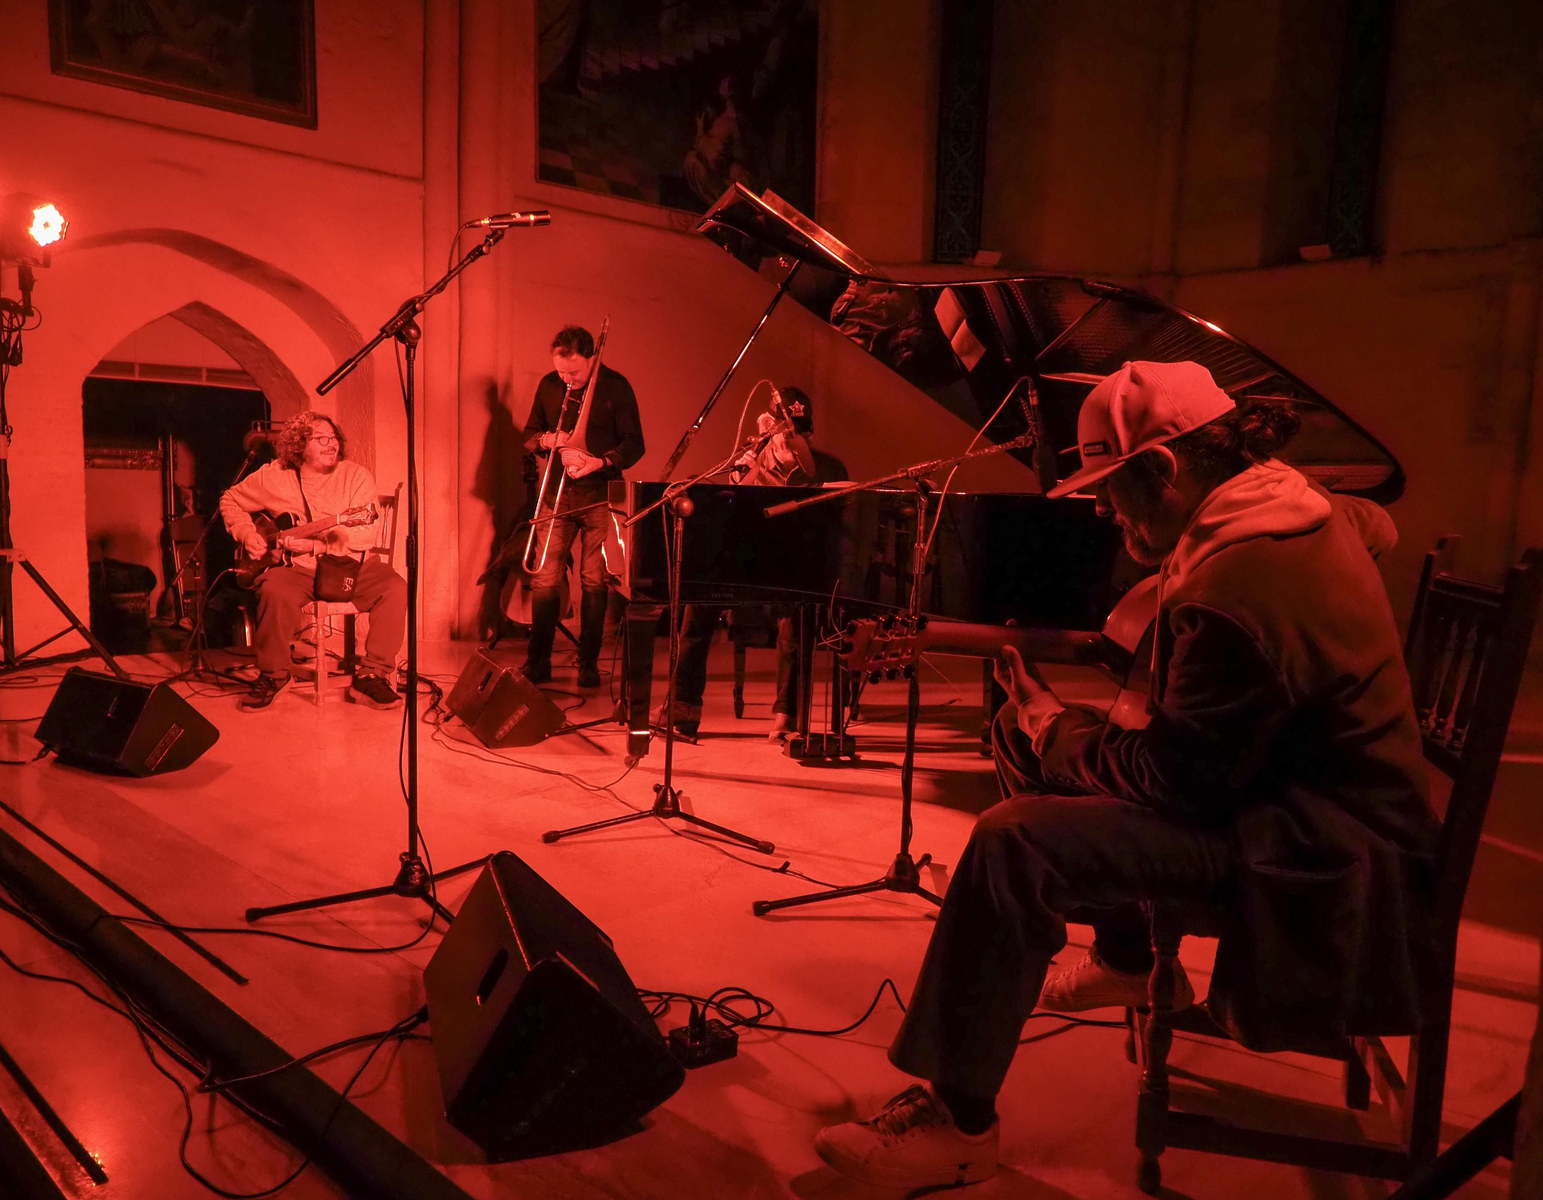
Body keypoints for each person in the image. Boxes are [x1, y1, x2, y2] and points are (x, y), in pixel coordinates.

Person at [814, 360, 1439, 1190]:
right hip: (1292, 799)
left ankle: (957, 1121)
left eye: (1109, 487)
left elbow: (1179, 784)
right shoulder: (1289, 508)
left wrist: (1057, 726)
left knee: (1016, 840)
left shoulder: (1234, 585)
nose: (1102, 509)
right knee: (1019, 737)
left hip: (1318, 850)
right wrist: (1051, 730)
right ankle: (1131, 959)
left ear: (1166, 469)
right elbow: (1374, 524)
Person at [219, 411, 405, 713]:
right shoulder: (274, 476)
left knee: (394, 587)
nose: (332, 444)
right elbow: (230, 499)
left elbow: (368, 530)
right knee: (273, 589)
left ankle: (373, 674)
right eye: (321, 439)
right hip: (299, 570)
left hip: (350, 565)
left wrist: (322, 544)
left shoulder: (356, 476)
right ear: (299, 444)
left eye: (334, 438)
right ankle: (274, 675)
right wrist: (245, 533)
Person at [664, 386, 817, 740]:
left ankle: (787, 714)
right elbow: (732, 512)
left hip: (788, 568)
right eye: (785, 429)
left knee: (795, 617)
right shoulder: (751, 456)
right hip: (745, 563)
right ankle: (684, 708)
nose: (793, 437)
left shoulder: (816, 465)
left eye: (800, 430)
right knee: (697, 604)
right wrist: (752, 465)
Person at [522, 325, 644, 686]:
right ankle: (538, 661)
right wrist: (546, 440)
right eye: (561, 371)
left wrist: (600, 462)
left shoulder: (616, 387)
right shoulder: (550, 384)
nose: (567, 379)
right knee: (544, 577)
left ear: (592, 359)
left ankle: (588, 662)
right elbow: (528, 435)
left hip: (599, 495)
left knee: (594, 580)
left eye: (574, 372)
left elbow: (635, 443)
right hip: (555, 493)